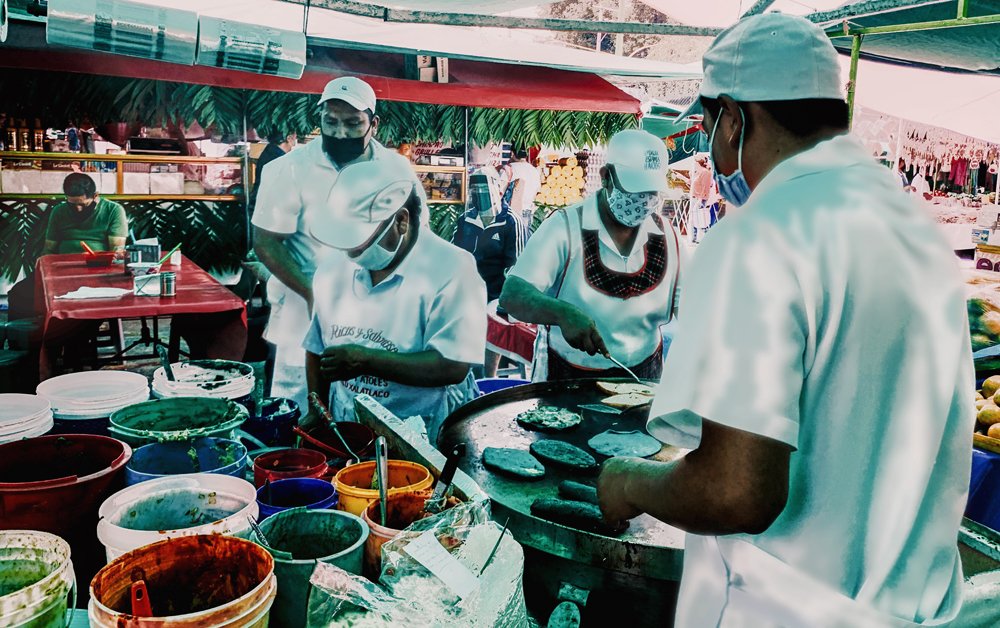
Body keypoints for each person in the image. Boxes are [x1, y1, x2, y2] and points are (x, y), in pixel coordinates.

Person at [596, 14, 973, 627]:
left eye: (712, 126)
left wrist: (631, 481)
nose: (714, 151)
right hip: (918, 611)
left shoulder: (760, 238)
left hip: (791, 613)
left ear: (737, 120)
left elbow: (736, 490)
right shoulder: (919, 232)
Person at [251, 77, 425, 411]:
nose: (340, 133)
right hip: (304, 310)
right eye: (330, 122)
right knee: (302, 411)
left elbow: (415, 235)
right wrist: (312, 292)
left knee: (367, 412)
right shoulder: (287, 169)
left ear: (373, 124)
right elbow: (266, 242)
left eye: (352, 123)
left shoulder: (396, 168)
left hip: (378, 314)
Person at [303, 158, 486, 441]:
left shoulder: (453, 268)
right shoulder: (333, 268)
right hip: (349, 426)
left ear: (401, 220)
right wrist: (317, 407)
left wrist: (366, 360)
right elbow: (316, 347)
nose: (352, 251)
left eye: (362, 239)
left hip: (426, 431)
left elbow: (453, 365)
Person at [500, 129, 684, 382]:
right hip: (568, 374)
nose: (644, 200)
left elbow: (691, 308)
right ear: (606, 176)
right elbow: (513, 295)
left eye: (651, 191)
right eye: (635, 189)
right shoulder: (564, 227)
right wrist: (561, 313)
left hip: (643, 376)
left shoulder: (670, 238)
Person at [43, 172, 127, 255]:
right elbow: (49, 248)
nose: (78, 209)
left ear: (95, 196)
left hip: (99, 263)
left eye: (83, 204)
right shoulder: (59, 211)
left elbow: (116, 250)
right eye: (72, 204)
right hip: (63, 262)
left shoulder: (113, 210)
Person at [249, 130, 296, 216]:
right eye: (295, 138)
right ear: (289, 138)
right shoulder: (277, 158)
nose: (295, 142)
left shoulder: (271, 151)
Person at [501, 149, 542, 221]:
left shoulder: (509, 169)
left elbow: (500, 192)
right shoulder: (534, 170)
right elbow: (537, 191)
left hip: (511, 213)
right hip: (528, 211)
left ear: (512, 153)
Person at [689, 154, 716, 243]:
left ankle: (703, 237)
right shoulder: (698, 173)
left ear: (697, 162)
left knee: (700, 218)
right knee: (696, 218)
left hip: (700, 198)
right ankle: (696, 238)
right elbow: (693, 184)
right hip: (695, 197)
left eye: (694, 162)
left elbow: (706, 187)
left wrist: (701, 199)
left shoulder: (705, 172)